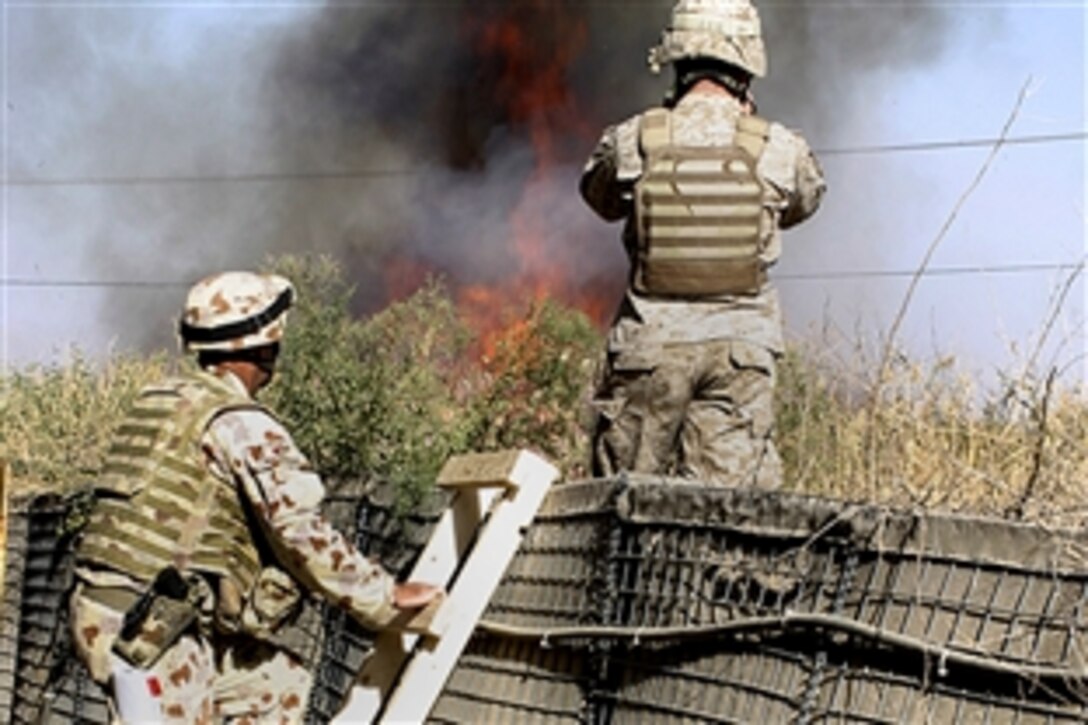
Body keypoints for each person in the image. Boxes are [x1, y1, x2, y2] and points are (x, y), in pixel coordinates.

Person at [68, 271, 441, 722]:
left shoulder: (162, 400)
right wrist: (382, 596)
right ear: (266, 345)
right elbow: (300, 531)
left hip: (110, 613)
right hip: (150, 633)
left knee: (276, 685)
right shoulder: (238, 423)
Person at [581, 0, 825, 488]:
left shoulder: (634, 139)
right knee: (730, 514)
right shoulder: (780, 148)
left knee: (621, 504)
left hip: (650, 349)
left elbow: (599, 199)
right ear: (748, 66)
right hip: (740, 354)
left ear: (678, 62)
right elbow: (801, 206)